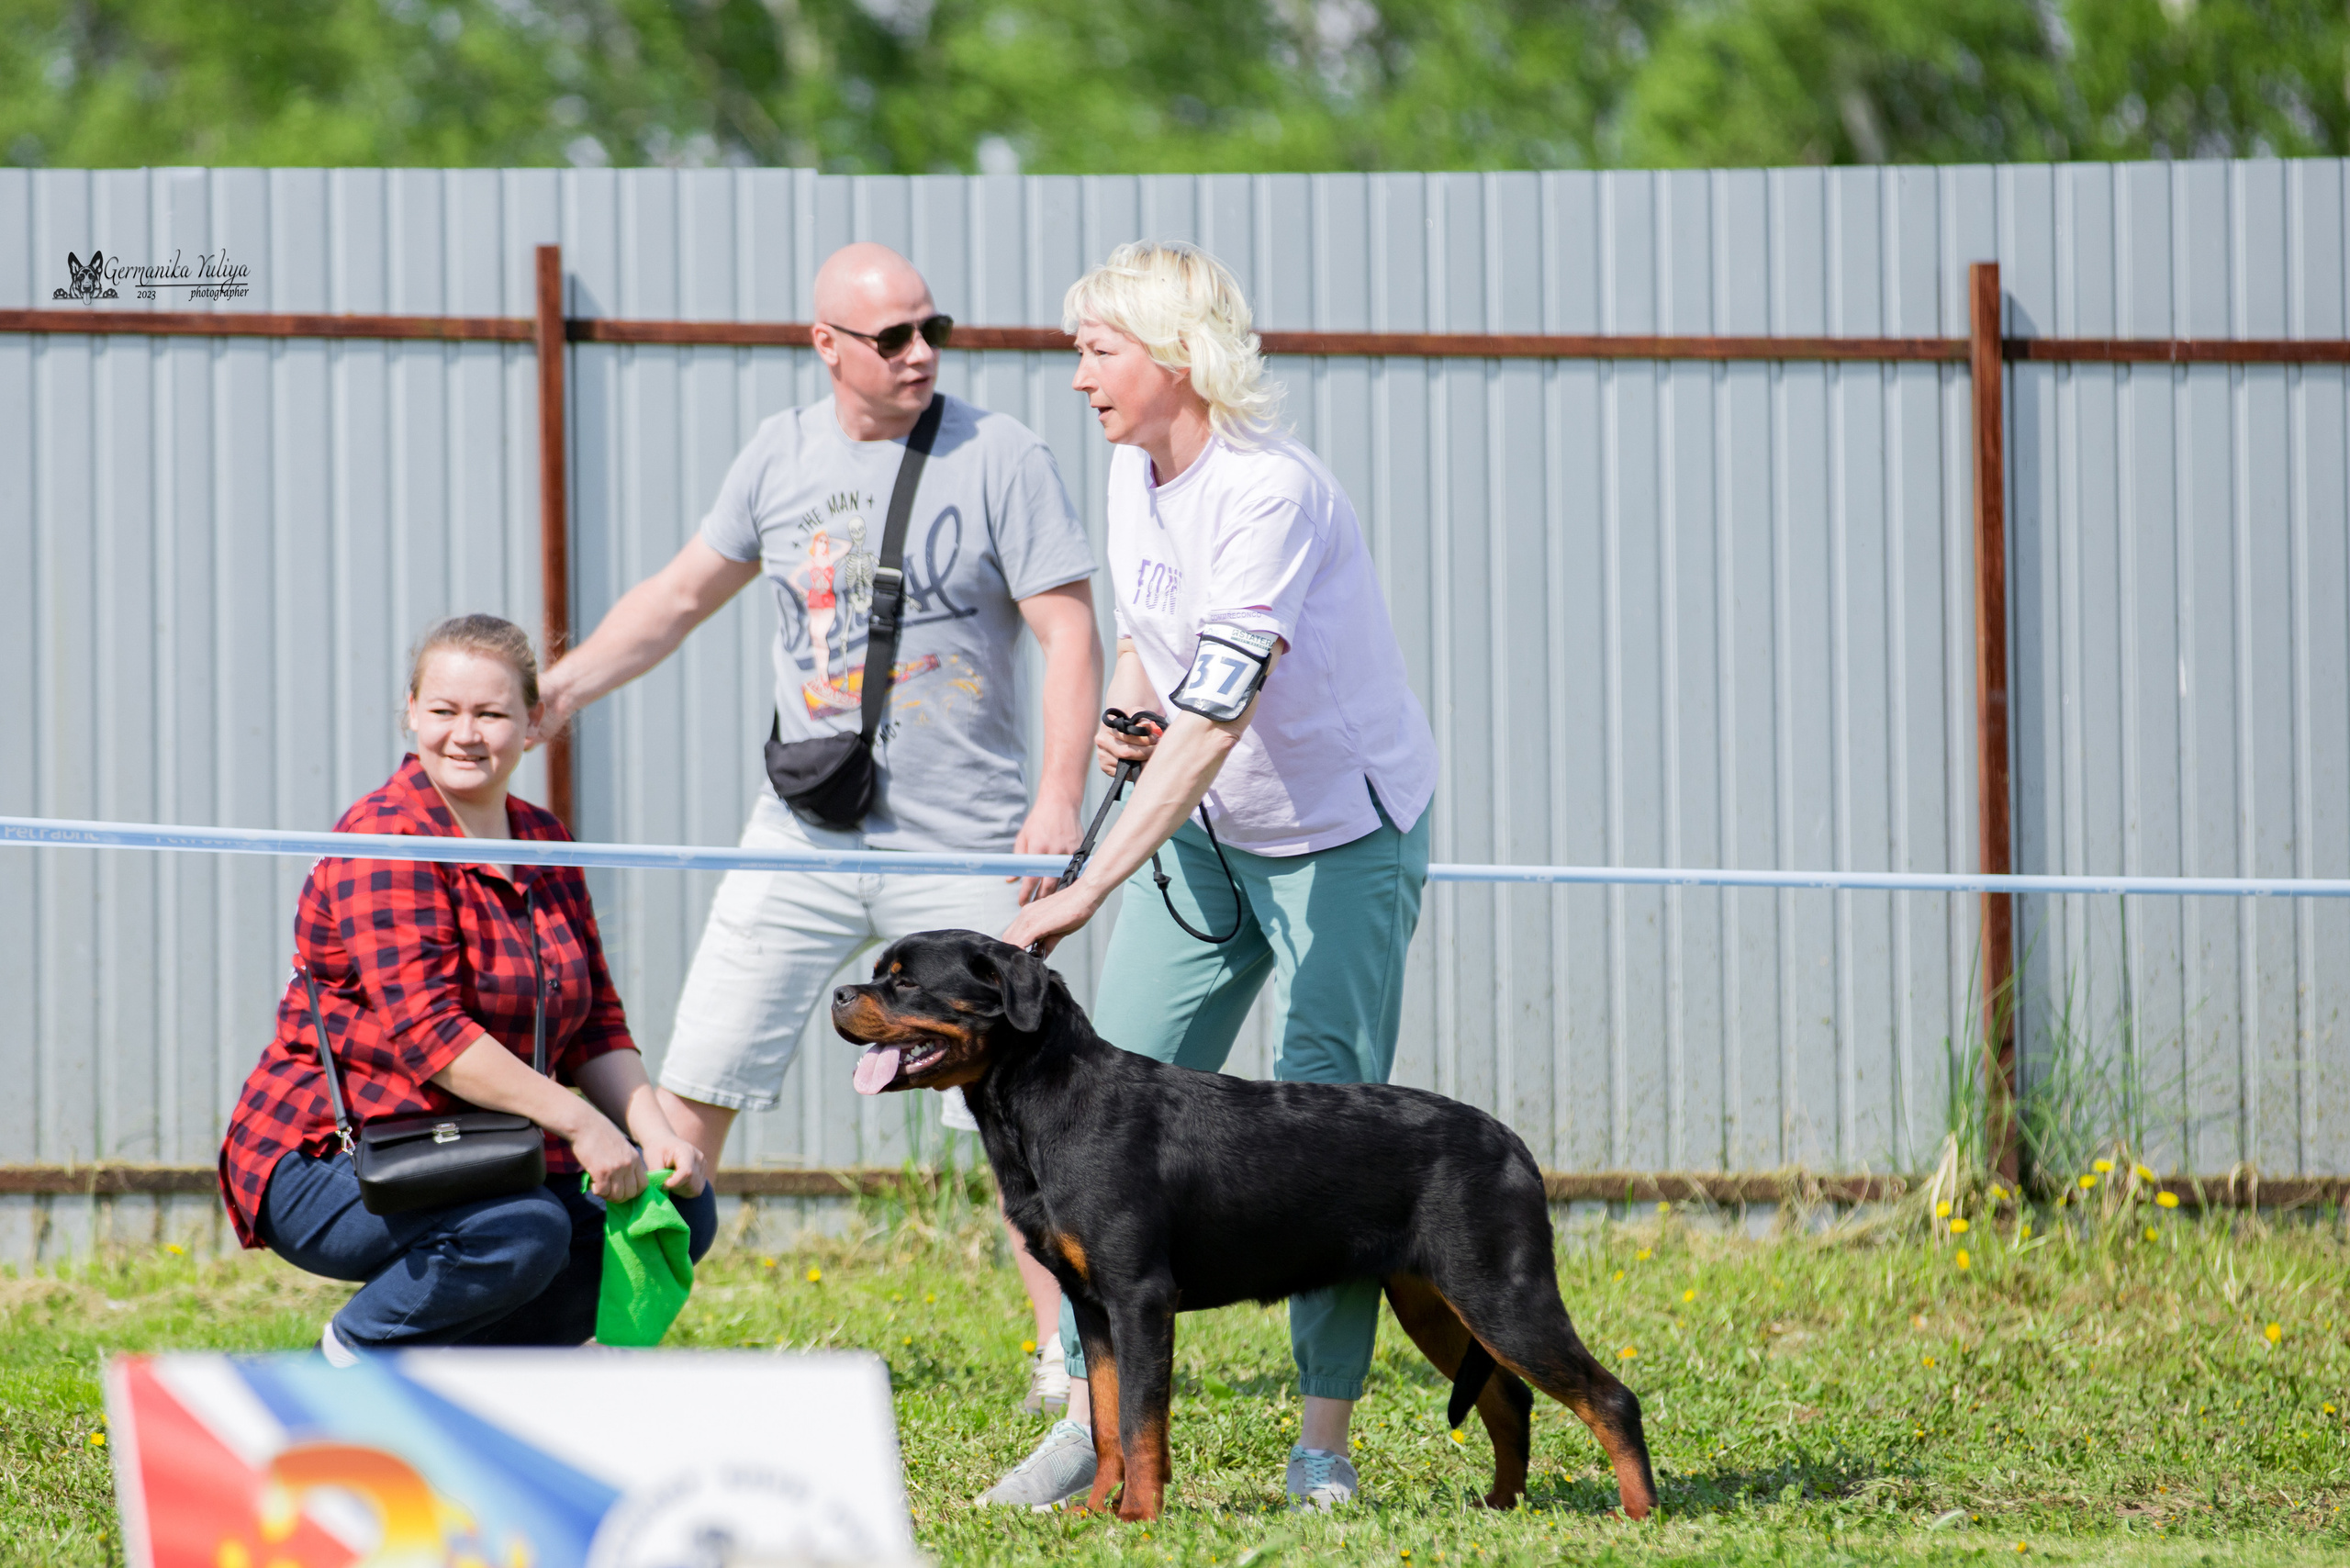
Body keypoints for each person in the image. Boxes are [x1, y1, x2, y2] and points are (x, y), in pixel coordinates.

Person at [530, 242, 1102, 1413]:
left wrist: (1057, 798)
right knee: (692, 1079)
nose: (920, 353)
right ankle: (617, 1347)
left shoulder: (1002, 454)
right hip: (800, 831)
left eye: (930, 327)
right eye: (891, 337)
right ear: (826, 345)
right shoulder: (779, 455)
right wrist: (557, 694)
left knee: (1020, 1103)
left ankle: (1063, 1354)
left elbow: (1070, 632)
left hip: (966, 842)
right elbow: (680, 595)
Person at [979, 242, 1438, 1511]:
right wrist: (1117, 737)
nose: (1077, 377)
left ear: (1175, 357)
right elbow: (1151, 647)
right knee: (1087, 1109)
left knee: (1335, 1124)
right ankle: (1088, 1422)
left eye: (1096, 349)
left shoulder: (1270, 493)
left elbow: (1220, 713)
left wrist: (1086, 888)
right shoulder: (1135, 468)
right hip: (1205, 824)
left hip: (1339, 831)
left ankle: (1321, 1451)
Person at [218, 615, 717, 1357]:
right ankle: (351, 1361)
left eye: (490, 713)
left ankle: (476, 1376)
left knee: (680, 1212)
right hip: (338, 1153)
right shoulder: (382, 839)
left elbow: (595, 1023)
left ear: (534, 721)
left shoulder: (543, 840)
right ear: (412, 713)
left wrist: (656, 1133)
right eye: (444, 711)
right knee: (522, 1230)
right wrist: (583, 1124)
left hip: (489, 1152)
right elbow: (436, 1038)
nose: (465, 734)